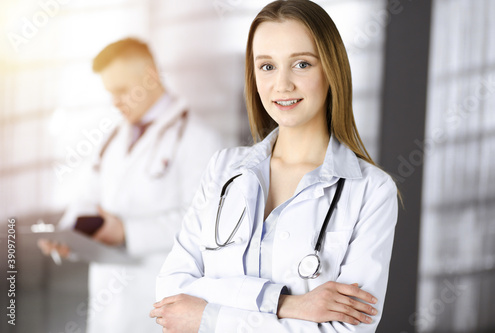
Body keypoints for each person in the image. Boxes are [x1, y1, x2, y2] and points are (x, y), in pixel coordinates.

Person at [151, 0, 399, 332]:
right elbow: (172, 293)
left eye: (301, 64)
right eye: (267, 66)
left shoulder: (371, 190)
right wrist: (286, 304)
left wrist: (209, 317)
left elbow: (346, 329)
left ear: (331, 70)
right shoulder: (223, 169)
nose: (282, 85)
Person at [38, 38, 224, 333]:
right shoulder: (112, 137)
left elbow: (204, 224)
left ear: (150, 76)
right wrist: (68, 233)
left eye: (122, 91)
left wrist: (127, 232)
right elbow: (88, 196)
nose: (115, 102)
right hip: (107, 301)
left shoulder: (200, 141)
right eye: (110, 93)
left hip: (159, 298)